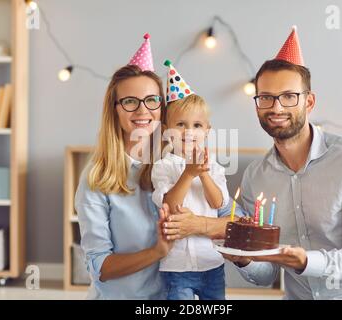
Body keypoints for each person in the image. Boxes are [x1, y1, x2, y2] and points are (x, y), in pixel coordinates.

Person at [223, 26, 342, 299]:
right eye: (266, 98)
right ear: (257, 104)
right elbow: (267, 273)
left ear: (309, 102)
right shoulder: (255, 177)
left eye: (288, 96)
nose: (277, 107)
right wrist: (243, 258)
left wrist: (307, 262)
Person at [75, 34, 243, 299]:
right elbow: (99, 268)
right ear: (115, 109)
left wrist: (200, 224)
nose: (142, 110)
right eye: (130, 101)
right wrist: (158, 251)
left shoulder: (177, 165)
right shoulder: (98, 177)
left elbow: (235, 219)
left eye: (152, 100)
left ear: (163, 112)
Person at [151, 60, 229, 300]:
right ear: (166, 130)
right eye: (180, 125)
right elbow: (169, 206)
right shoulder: (162, 166)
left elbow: (218, 203)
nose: (188, 132)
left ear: (207, 130)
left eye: (196, 125)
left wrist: (203, 173)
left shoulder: (213, 166)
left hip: (211, 262)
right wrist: (188, 173)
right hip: (176, 266)